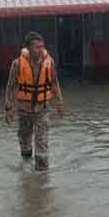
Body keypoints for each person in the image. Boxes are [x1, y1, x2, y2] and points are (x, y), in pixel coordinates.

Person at [4, 32, 65, 171]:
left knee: (42, 144)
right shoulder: (18, 63)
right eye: (37, 47)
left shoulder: (49, 62)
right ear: (29, 48)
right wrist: (8, 108)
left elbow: (54, 83)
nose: (41, 50)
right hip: (23, 110)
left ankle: (42, 179)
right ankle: (26, 173)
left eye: (42, 47)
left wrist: (60, 103)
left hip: (42, 110)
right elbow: (11, 86)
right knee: (25, 144)